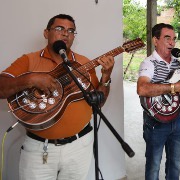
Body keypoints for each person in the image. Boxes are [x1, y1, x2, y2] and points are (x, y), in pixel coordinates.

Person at [0, 14, 115, 180]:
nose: (66, 34)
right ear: (46, 33)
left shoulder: (83, 63)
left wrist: (105, 78)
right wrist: (31, 79)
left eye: (71, 31)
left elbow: (99, 102)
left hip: (80, 146)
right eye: (60, 28)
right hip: (39, 150)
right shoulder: (29, 60)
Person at [137, 23, 180, 180]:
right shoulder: (149, 63)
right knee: (153, 165)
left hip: (177, 120)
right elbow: (142, 89)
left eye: (174, 39)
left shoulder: (178, 63)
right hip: (155, 123)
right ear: (155, 40)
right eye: (167, 38)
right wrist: (173, 87)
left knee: (175, 163)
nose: (172, 42)